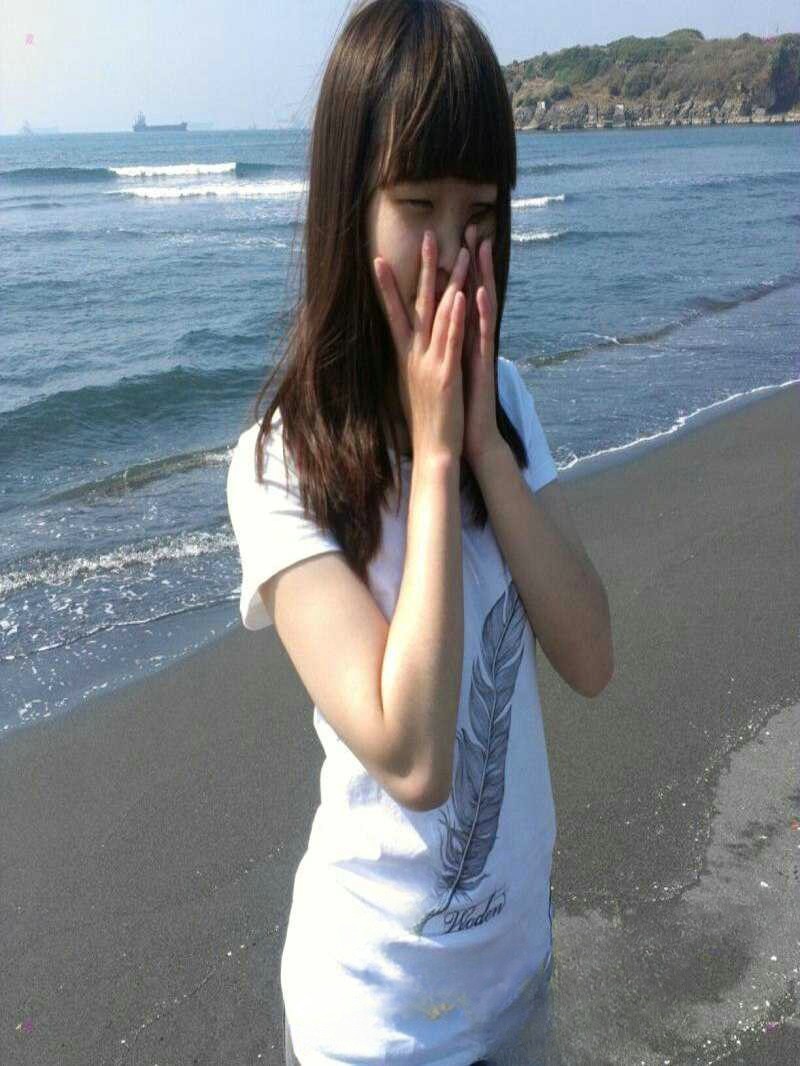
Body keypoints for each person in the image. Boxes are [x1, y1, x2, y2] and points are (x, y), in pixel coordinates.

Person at [226, 1, 613, 1061]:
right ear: (347, 206)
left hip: (514, 975)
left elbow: (589, 654)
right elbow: (411, 757)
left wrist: (482, 444)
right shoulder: (280, 463)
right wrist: (436, 460)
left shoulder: (507, 405)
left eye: (479, 211)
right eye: (415, 205)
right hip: (376, 1020)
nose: (451, 251)